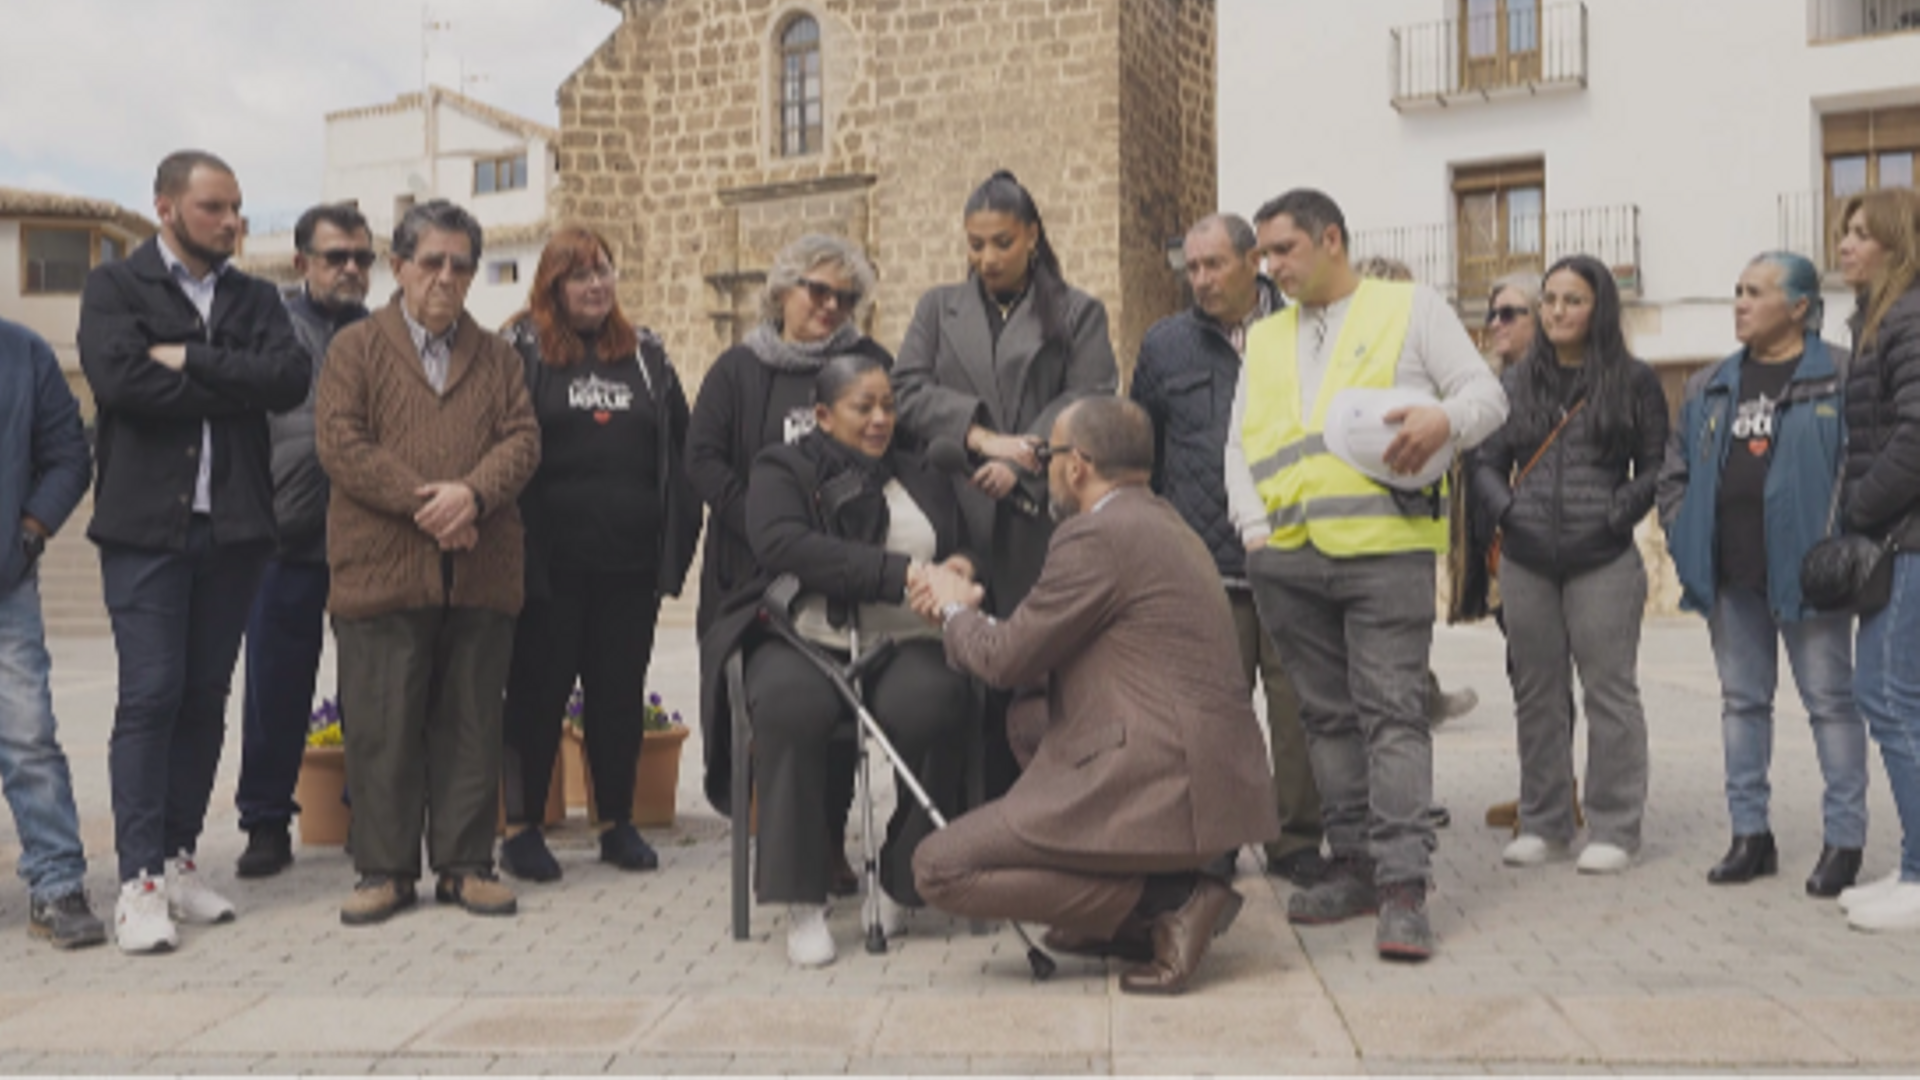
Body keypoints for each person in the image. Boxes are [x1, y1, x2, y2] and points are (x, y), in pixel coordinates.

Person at [910, 397, 1279, 995]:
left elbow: (1002, 660)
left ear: (1077, 465)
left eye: (1051, 455)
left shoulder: (1096, 536)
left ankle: (1172, 900)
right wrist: (976, 618)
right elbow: (1035, 642)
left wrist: (952, 604)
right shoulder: (1164, 520)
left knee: (941, 867)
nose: (1045, 467)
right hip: (1208, 771)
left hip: (1163, 772)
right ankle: (1122, 914)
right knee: (1030, 719)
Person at [1224, 188, 1507, 962]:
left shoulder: (1410, 309)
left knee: (1392, 717)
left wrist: (1444, 419)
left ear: (1332, 240)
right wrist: (1254, 529)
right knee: (1327, 720)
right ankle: (1351, 864)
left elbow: (1487, 395)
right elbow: (1240, 442)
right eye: (1264, 254)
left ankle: (1403, 887)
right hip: (1288, 558)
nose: (1271, 267)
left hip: (1384, 554)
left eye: (1284, 250)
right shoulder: (1267, 334)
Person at [77, 149, 308, 953]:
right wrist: (227, 382)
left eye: (239, 207)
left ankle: (178, 861)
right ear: (167, 208)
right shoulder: (116, 288)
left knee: (206, 695)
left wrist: (194, 359)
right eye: (215, 207)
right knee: (151, 694)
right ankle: (137, 880)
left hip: (236, 527)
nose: (233, 222)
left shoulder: (254, 296)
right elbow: (121, 383)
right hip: (146, 531)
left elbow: (286, 379)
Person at [315, 199, 540, 926]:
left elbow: (523, 441)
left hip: (480, 569)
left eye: (461, 263)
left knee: (472, 720)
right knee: (382, 724)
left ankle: (467, 865)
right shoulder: (356, 349)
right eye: (432, 261)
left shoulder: (500, 355)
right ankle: (383, 870)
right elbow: (341, 444)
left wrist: (472, 495)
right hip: (382, 569)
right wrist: (429, 505)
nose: (446, 276)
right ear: (400, 266)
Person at [716, 353, 976, 967]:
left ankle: (899, 880)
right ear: (825, 415)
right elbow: (787, 543)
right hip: (805, 638)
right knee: (787, 707)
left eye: (887, 405)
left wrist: (962, 567)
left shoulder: (920, 468)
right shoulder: (782, 467)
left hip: (908, 637)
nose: (881, 418)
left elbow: (960, 540)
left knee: (941, 703)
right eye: (865, 407)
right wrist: (905, 572)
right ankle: (802, 900)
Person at [893, 170, 1119, 796]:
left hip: (1040, 523)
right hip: (954, 513)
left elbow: (1092, 394)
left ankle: (1045, 815)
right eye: (974, 244)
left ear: (1032, 237)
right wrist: (983, 440)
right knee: (953, 678)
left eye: (1000, 242)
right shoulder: (938, 309)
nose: (986, 258)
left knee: (1036, 677)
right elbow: (906, 389)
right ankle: (948, 828)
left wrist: (1025, 457)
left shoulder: (1078, 313)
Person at [689, 233, 891, 896]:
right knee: (771, 710)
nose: (830, 306)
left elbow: (892, 448)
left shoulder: (868, 364)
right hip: (751, 573)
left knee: (837, 712)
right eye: (818, 290)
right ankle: (779, 839)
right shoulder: (737, 369)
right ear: (783, 290)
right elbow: (704, 459)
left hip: (839, 577)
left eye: (845, 296)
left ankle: (829, 841)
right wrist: (765, 521)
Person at [497, 226, 700, 882]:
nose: (595, 285)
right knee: (536, 696)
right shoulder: (520, 350)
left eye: (603, 272)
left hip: (627, 565)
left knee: (617, 698)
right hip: (546, 568)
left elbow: (680, 450)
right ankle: (522, 827)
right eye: (579, 275)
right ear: (551, 287)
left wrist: (676, 546)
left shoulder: (646, 357)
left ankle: (616, 822)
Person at [1659, 252, 1865, 896]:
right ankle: (1751, 835)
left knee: (1830, 706)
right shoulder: (1710, 382)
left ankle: (1845, 842)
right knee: (1742, 705)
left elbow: (1864, 467)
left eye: (1756, 292)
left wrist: (1842, 543)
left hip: (1812, 577)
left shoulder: (1839, 375)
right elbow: (1676, 469)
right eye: (1737, 291)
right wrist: (1683, 527)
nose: (1740, 303)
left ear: (1799, 307)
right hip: (1731, 575)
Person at [1130, 213, 1322, 886]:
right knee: (1211, 711)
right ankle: (1212, 843)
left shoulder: (1301, 330)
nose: (1201, 280)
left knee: (1296, 704)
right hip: (1204, 560)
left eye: (1214, 265)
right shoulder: (1164, 346)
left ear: (1252, 263)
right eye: (1191, 268)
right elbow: (1142, 448)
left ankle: (1296, 843)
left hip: (1293, 546)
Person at [1474, 254, 1667, 877]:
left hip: (1603, 559)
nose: (1557, 310)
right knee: (1538, 695)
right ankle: (1547, 822)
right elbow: (1481, 462)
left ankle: (1614, 827)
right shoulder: (1514, 384)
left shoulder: (1633, 382)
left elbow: (1660, 464)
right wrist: (1510, 512)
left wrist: (1615, 515)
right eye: (1550, 300)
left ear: (1598, 308)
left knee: (1610, 694)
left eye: (1572, 300)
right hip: (1529, 559)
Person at [234, 202, 373, 879]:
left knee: (373, 690)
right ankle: (264, 821)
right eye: (335, 256)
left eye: (362, 258)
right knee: (274, 689)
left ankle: (369, 812)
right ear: (301, 262)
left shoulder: (385, 338)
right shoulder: (267, 331)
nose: (351, 269)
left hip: (367, 541)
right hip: (282, 537)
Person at [0, 317, 107, 949]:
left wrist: (32, 533)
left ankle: (58, 883)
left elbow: (69, 454)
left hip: (4, 585)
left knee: (28, 736)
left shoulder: (25, 355)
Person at [1829, 188, 1920, 932]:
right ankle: (1914, 862)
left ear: (1895, 243)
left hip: (1906, 537)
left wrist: (1859, 510)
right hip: (1898, 537)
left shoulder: (1910, 316)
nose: (1847, 243)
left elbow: (1916, 436)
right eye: (1845, 231)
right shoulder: (1878, 322)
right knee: (1890, 697)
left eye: (1862, 233)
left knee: (1891, 698)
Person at [1474, 272, 1550, 832]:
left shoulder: (1540, 383)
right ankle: (1543, 789)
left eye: (1510, 313)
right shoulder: (1502, 381)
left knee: (1539, 673)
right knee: (1524, 672)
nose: (1496, 323)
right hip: (1505, 550)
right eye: (1492, 314)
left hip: (1533, 545)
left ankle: (1551, 796)